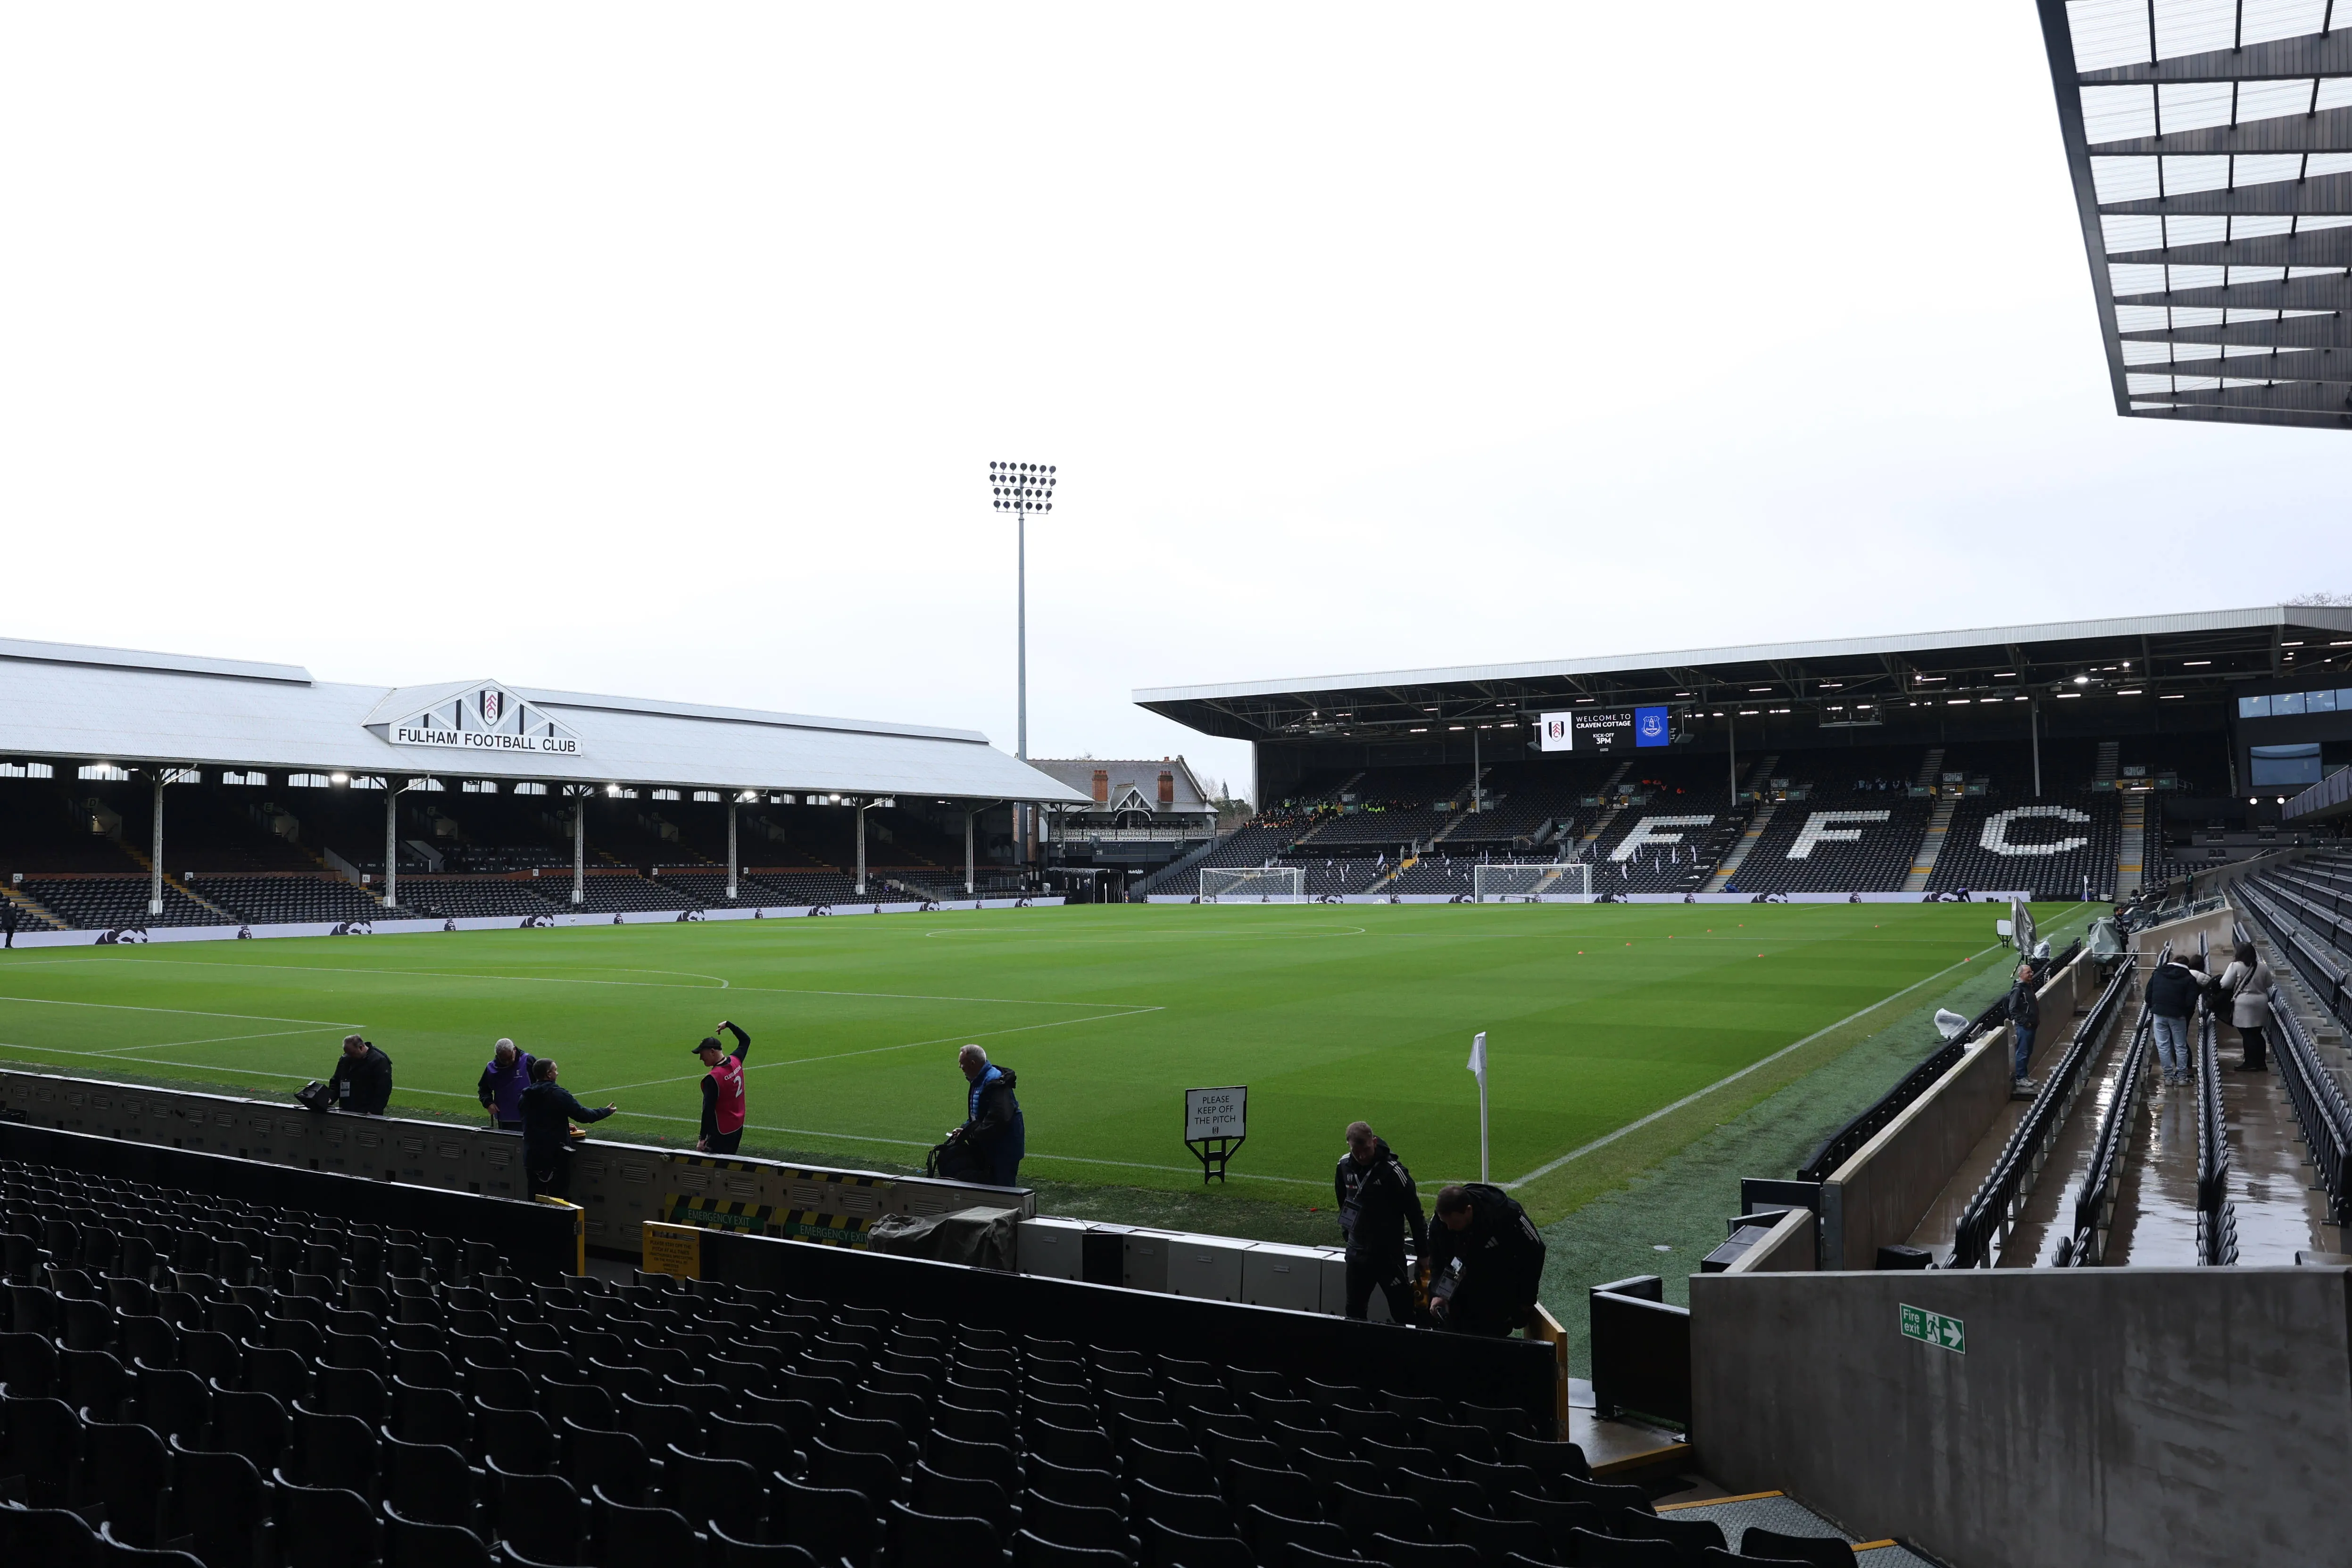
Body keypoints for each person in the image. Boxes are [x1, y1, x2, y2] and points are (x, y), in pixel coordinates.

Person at [1423, 1183, 1545, 1337]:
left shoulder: (1506, 1214)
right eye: (1445, 1223)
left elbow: (1536, 1251)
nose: (1449, 1228)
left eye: (1454, 1223)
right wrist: (1439, 1293)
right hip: (1462, 1287)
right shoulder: (1440, 1222)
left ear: (1469, 1210)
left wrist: (1527, 1301)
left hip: (1498, 1288)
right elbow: (1437, 1259)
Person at [1334, 1122, 1424, 1324]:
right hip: (1357, 1254)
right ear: (1349, 1146)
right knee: (1354, 1310)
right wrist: (1348, 1232)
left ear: (1374, 1142)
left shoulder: (1393, 1171)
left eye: (1366, 1149)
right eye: (1356, 1152)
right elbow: (1344, 1200)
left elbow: (1416, 1214)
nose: (1362, 1156)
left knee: (1403, 1311)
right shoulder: (1344, 1165)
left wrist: (1423, 1254)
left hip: (1388, 1257)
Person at [520, 1057, 616, 1200]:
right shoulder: (558, 1094)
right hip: (554, 1158)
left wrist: (562, 1124)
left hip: (532, 1157)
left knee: (534, 1201)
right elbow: (584, 1115)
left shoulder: (525, 1096)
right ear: (549, 1074)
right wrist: (606, 1111)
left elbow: (535, 1119)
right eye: (555, 1070)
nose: (557, 1074)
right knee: (560, 1202)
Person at [943, 1044, 1026, 1186]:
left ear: (973, 1064)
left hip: (1004, 1150)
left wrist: (971, 1134)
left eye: (961, 1063)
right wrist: (966, 1129)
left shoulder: (994, 1084)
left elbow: (997, 1120)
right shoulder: (981, 1080)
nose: (960, 1067)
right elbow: (979, 1114)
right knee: (993, 1188)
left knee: (1002, 1191)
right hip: (995, 1148)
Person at [2145, 951, 2209, 1087]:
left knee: (2163, 1046)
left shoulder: (2158, 973)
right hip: (2178, 1015)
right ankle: (2182, 1077)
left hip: (2159, 1013)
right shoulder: (2189, 978)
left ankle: (2168, 1077)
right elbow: (2191, 1002)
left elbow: (2148, 995)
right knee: (2180, 1046)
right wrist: (2183, 1013)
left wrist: (2154, 1007)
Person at [692, 1020, 752, 1154]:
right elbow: (745, 1040)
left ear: (712, 1052)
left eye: (702, 1053)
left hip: (721, 1131)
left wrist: (702, 1139)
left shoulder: (713, 1079)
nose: (701, 1058)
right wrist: (730, 1025)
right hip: (738, 1126)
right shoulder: (736, 1061)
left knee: (716, 1169)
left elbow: (708, 1111)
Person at [2218, 939, 2273, 1073]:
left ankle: (2250, 1062)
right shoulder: (2262, 966)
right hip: (2261, 1002)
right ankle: (2260, 1062)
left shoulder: (2235, 966)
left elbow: (2224, 984)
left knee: (2247, 1033)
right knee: (2257, 1033)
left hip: (2244, 1003)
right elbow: (2269, 983)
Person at [477, 1038, 536, 1132]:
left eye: (510, 1058)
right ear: (498, 1056)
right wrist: (488, 1103)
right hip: (506, 1119)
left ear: (514, 1050)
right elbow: (483, 1089)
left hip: (531, 1116)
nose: (508, 1062)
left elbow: (543, 1083)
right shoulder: (492, 1069)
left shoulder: (528, 1061)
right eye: (504, 1060)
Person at [325, 1034, 393, 1115]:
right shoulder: (346, 1059)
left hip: (366, 1111)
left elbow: (383, 1089)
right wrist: (331, 1097)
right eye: (347, 1053)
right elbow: (336, 1081)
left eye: (352, 1053)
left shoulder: (379, 1061)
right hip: (346, 1108)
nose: (350, 1056)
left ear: (361, 1047)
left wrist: (374, 1111)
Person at [2008, 959, 2042, 1093]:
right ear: (2021, 975)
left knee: (2027, 1051)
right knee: (2022, 1052)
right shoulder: (2018, 990)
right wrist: (2025, 1022)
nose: (2031, 974)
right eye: (2028, 972)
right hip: (2024, 1027)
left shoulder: (2027, 987)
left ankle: (2025, 1076)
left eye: (2031, 972)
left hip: (2031, 1025)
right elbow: (2013, 1010)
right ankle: (2020, 1077)